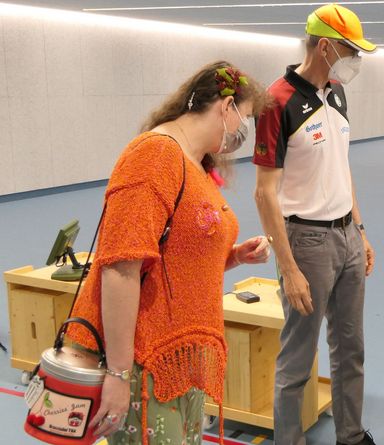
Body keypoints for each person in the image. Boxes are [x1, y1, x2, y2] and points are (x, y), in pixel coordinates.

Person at [67, 61, 272, 445]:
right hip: (145, 361)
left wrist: (234, 256)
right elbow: (120, 267)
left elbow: (177, 256)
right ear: (225, 106)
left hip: (180, 358)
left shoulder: (192, 162)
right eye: (244, 118)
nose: (241, 132)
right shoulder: (155, 155)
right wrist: (118, 374)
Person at [252, 4, 377, 445]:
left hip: (346, 236)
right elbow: (264, 193)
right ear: (325, 45)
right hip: (305, 240)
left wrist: (359, 230)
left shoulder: (338, 92)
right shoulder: (277, 101)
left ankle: (351, 434)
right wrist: (288, 269)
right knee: (298, 358)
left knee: (350, 350)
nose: (355, 59)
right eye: (350, 49)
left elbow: (342, 168)